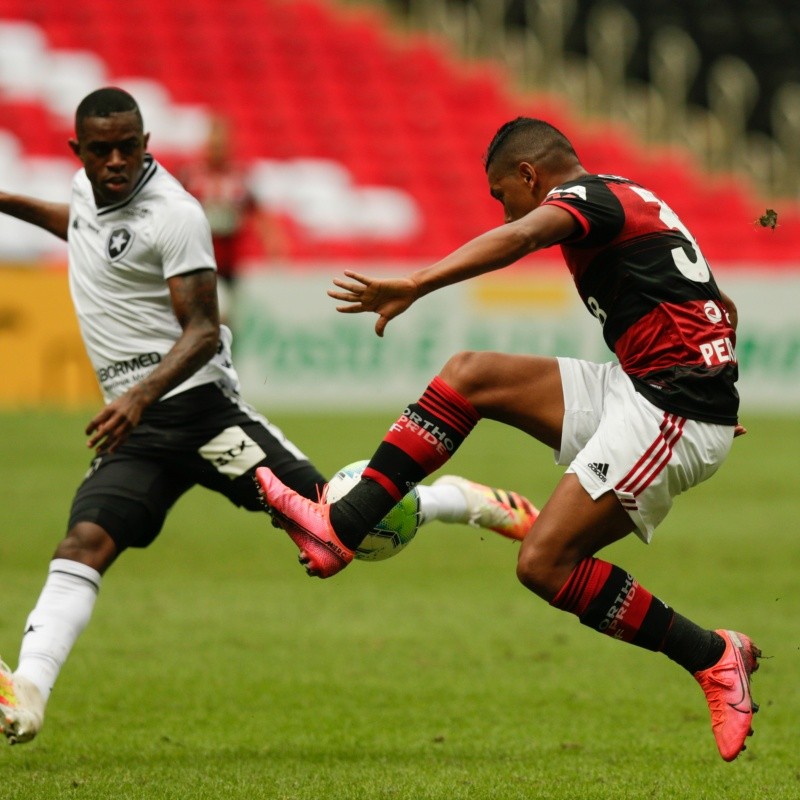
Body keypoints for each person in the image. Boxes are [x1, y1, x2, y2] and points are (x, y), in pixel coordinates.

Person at [0, 89, 539, 745]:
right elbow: (84, 227)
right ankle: (28, 691)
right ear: (77, 152)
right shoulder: (90, 195)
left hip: (200, 413)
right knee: (83, 545)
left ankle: (465, 501)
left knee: (343, 528)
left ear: (147, 144)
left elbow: (203, 329)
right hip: (138, 435)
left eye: (128, 147)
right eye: (100, 149)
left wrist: (139, 395)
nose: (115, 160)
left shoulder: (175, 213)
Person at [255, 117, 760, 762]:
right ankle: (342, 528)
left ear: (529, 175)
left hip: (670, 407)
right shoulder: (629, 195)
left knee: (543, 564)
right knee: (472, 377)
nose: (506, 206)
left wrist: (416, 283)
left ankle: (712, 655)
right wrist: (716, 377)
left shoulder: (581, 198)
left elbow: (522, 234)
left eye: (502, 193)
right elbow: (722, 305)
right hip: (653, 389)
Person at [178, 114, 286, 321]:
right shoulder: (190, 176)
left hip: (229, 261)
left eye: (221, 144)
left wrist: (272, 240)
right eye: (213, 144)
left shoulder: (239, 177)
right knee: (214, 313)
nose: (217, 149)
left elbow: (256, 210)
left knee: (227, 318)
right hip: (198, 259)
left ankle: (222, 351)